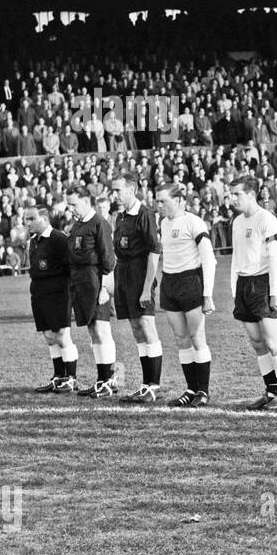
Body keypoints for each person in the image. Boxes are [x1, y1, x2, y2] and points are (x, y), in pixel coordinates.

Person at [228, 176, 277, 410]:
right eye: (231, 194)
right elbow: (236, 257)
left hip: (264, 284)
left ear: (252, 194)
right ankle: (271, 390)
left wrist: (273, 292)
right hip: (244, 284)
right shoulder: (236, 222)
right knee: (257, 342)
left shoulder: (268, 220)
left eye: (237, 194)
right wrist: (234, 286)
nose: (233, 198)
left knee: (273, 341)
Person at [154, 182, 216, 407]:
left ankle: (203, 391)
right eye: (157, 201)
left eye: (163, 201)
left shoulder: (194, 222)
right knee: (181, 339)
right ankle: (191, 389)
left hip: (191, 282)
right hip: (169, 282)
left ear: (179, 200)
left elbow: (209, 258)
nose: (159, 205)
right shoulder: (163, 223)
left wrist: (207, 294)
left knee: (197, 338)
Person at [110, 171, 164, 403]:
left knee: (146, 325)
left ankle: (153, 385)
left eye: (118, 190)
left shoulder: (145, 214)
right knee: (136, 328)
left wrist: (146, 288)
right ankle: (145, 384)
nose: (115, 195)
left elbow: (154, 252)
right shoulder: (121, 216)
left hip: (140, 275)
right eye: (113, 190)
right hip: (124, 275)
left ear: (131, 190)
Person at [64, 184, 118, 398]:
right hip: (81, 283)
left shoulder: (100, 223)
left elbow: (108, 259)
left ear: (86, 202)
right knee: (93, 332)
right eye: (69, 206)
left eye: (74, 205)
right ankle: (102, 379)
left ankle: (108, 380)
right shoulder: (78, 225)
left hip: (96, 282)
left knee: (102, 330)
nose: (71, 209)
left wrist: (104, 286)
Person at [25, 204, 78, 393]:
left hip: (58, 293)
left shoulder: (59, 239)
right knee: (49, 337)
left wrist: (68, 292)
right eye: (26, 219)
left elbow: (70, 267)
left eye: (31, 219)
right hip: (39, 294)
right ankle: (58, 377)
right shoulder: (32, 241)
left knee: (62, 335)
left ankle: (71, 378)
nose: (27, 223)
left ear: (45, 218)